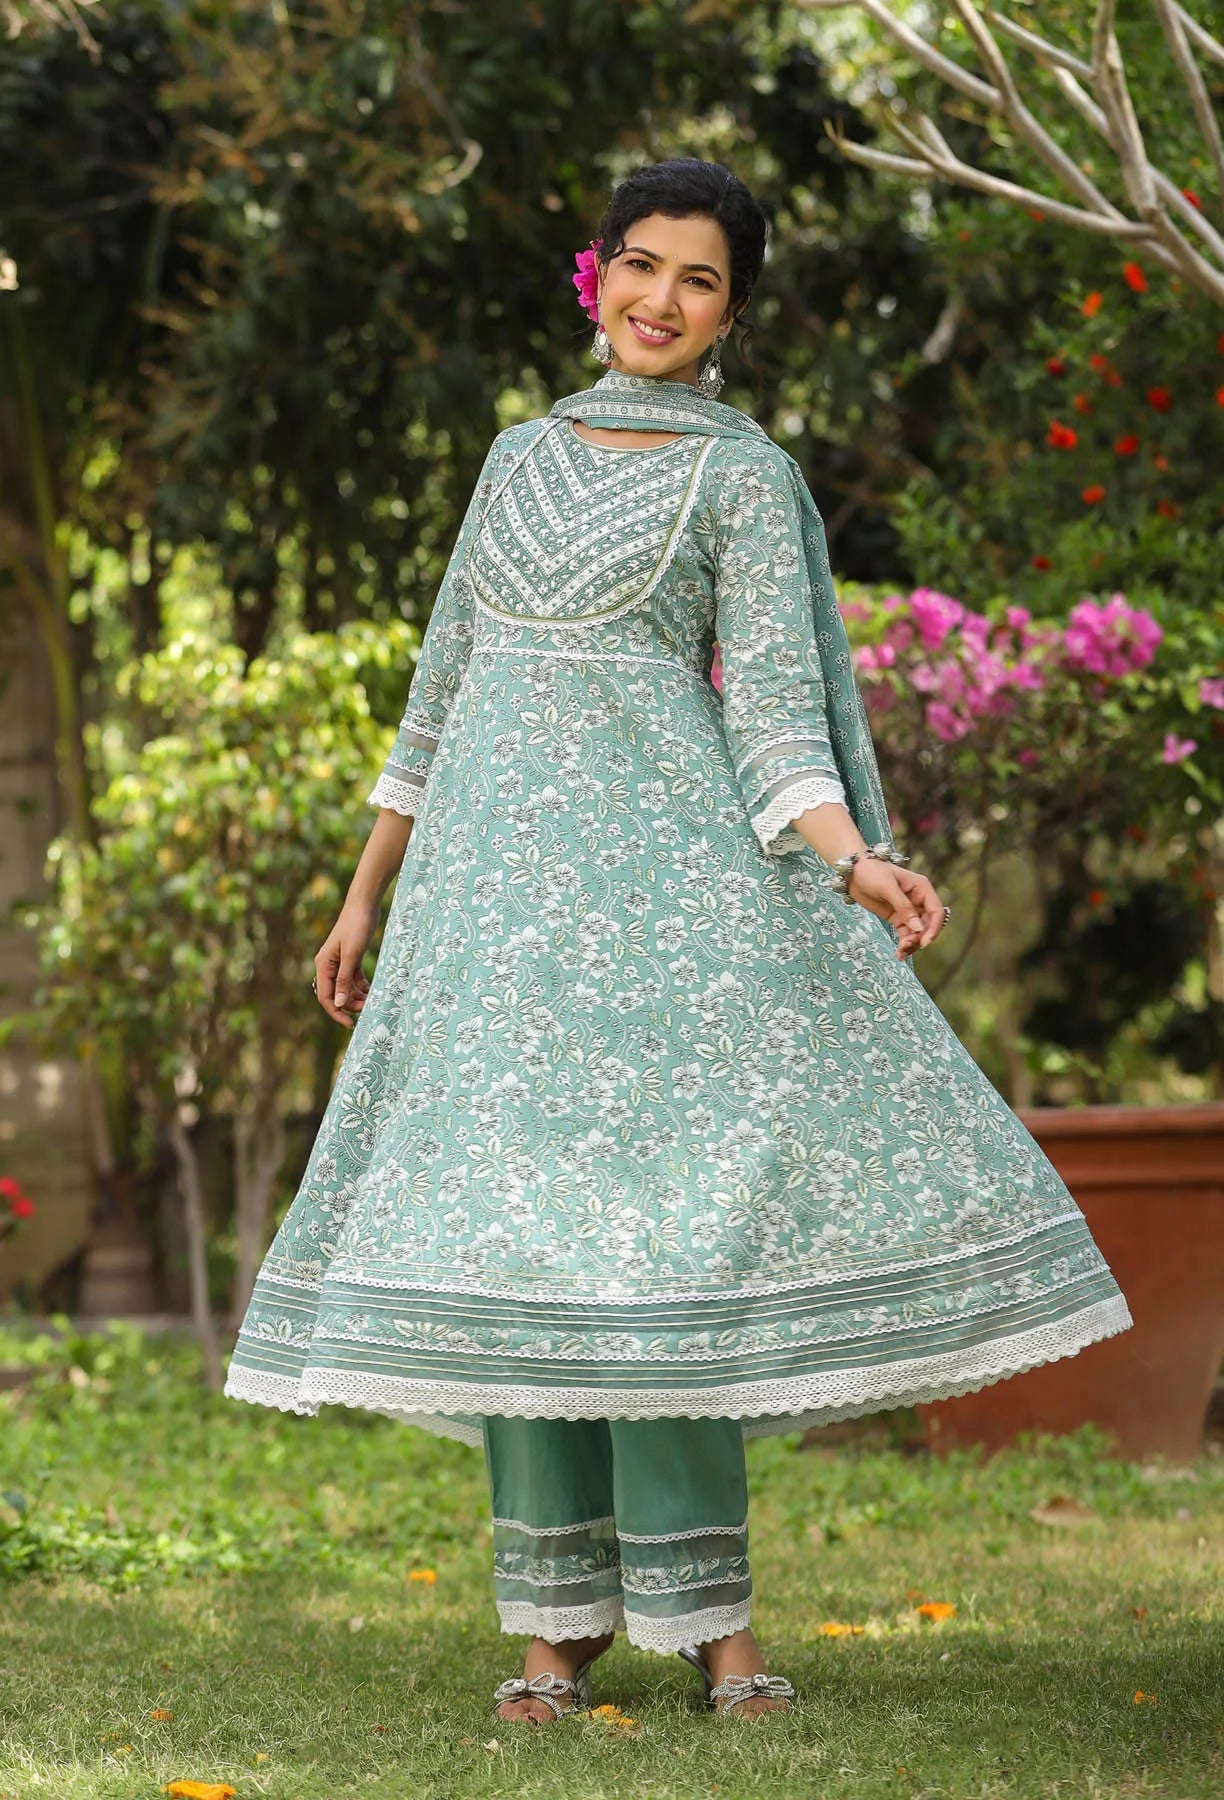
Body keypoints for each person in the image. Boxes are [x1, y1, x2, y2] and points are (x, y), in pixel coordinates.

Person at [224, 159, 1131, 1725]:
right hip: (494, 930)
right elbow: (443, 695)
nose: (659, 300)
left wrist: (857, 860)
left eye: (698, 279)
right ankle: (552, 1633)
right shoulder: (516, 460)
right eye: (638, 266)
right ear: (598, 277)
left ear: (733, 311)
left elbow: (777, 716)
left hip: (669, 934)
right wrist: (365, 891)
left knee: (662, 1274)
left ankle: (717, 1629)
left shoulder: (744, 479)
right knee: (530, 1262)